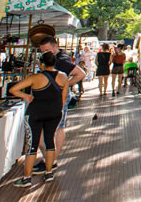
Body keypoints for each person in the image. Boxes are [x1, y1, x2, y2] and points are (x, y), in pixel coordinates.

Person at [9, 52, 67, 187]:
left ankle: (26, 178)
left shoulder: (35, 78)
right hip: (54, 113)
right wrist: (56, 108)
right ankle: (48, 173)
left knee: (32, 145)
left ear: (42, 64)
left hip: (35, 113)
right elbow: (63, 98)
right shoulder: (63, 77)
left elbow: (13, 89)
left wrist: (26, 96)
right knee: (50, 142)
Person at [36, 36, 85, 175]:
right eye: (42, 50)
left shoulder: (61, 60)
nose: (44, 53)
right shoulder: (57, 58)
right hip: (53, 97)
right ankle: (49, 160)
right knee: (53, 128)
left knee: (58, 128)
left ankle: (51, 161)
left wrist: (63, 85)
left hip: (58, 98)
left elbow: (80, 74)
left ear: (55, 47)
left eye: (46, 50)